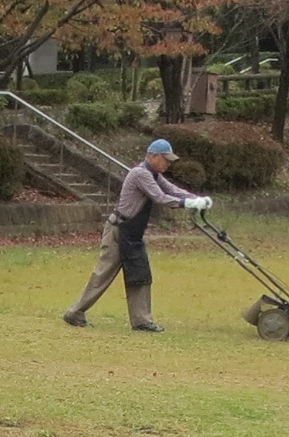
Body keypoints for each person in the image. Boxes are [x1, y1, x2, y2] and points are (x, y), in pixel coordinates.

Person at [63, 137, 212, 333]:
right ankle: (74, 312)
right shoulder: (140, 174)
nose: (168, 163)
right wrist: (189, 204)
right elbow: (160, 197)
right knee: (103, 274)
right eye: (165, 159)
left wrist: (197, 198)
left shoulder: (154, 175)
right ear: (153, 156)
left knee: (139, 272)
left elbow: (172, 190)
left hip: (131, 233)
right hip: (118, 230)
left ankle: (141, 321)